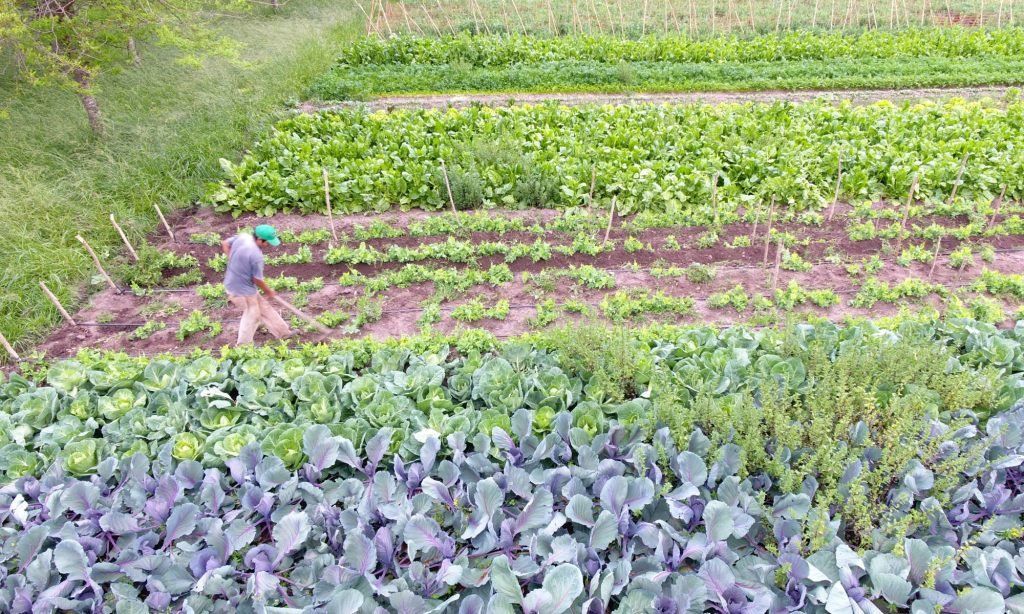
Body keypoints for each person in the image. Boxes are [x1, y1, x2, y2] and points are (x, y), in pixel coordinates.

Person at [221, 224, 291, 345]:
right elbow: (257, 279)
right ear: (259, 239)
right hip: (239, 290)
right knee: (253, 314)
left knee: (264, 306)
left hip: (239, 283)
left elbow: (225, 243)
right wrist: (268, 291)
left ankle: (283, 333)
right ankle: (243, 346)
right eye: (266, 242)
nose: (267, 245)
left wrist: (232, 260)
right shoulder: (255, 255)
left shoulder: (243, 237)